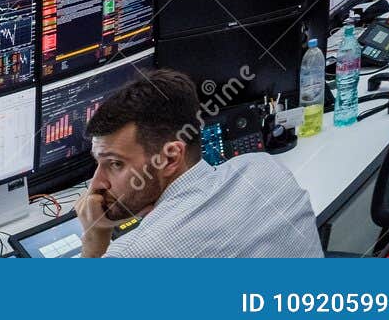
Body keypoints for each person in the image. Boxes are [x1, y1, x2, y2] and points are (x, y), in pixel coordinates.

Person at [76, 69, 322, 257]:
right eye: (99, 163)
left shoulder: (135, 254)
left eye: (116, 164)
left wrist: (95, 237)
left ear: (171, 158)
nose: (97, 183)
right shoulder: (264, 168)